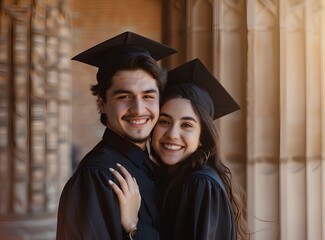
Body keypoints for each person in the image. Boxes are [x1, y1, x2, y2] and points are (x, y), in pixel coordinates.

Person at [110, 58, 249, 240]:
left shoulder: (200, 184)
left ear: (202, 138)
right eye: (165, 122)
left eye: (187, 125)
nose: (173, 134)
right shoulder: (172, 178)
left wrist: (134, 226)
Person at [56, 31, 177, 240]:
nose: (138, 109)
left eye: (148, 96)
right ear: (102, 104)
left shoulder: (150, 165)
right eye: (124, 96)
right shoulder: (98, 177)